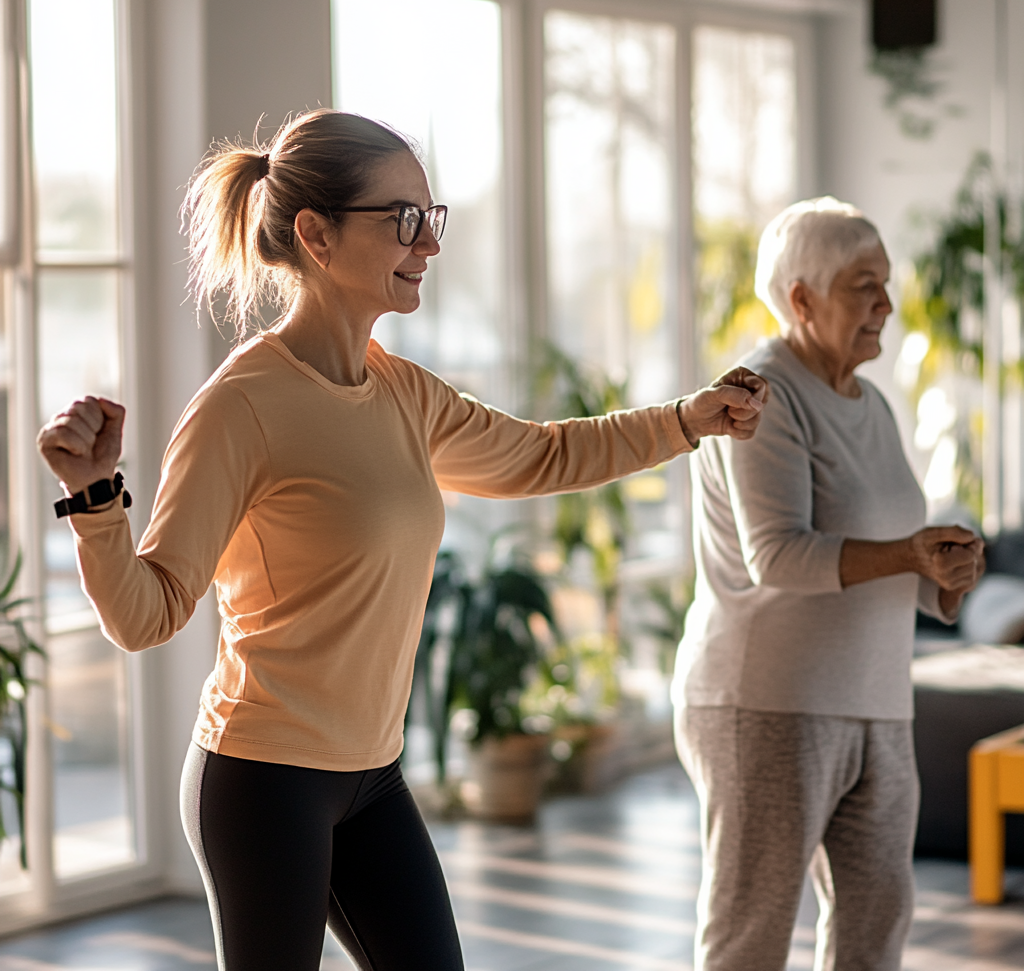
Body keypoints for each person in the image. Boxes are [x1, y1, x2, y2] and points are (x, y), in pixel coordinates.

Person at [36, 109, 767, 971]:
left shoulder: (404, 394)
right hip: (265, 779)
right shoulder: (242, 408)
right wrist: (93, 495)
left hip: (371, 776)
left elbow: (543, 454)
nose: (429, 243)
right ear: (316, 234)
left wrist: (688, 419)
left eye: (432, 216)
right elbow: (145, 613)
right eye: (404, 219)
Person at [671, 196, 985, 971]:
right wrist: (909, 552)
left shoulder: (872, 403)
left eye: (886, 284)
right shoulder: (758, 396)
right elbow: (777, 555)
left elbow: (895, 563)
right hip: (766, 703)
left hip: (877, 700)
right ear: (801, 299)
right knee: (752, 936)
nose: (887, 303)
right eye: (863, 284)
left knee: (876, 930)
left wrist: (944, 575)